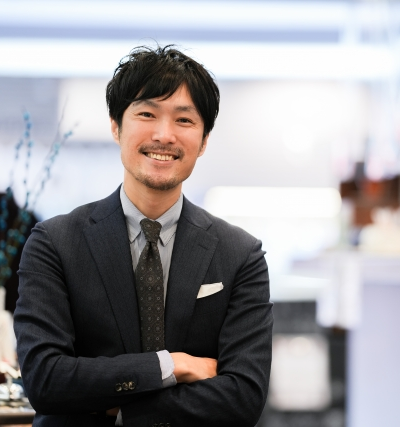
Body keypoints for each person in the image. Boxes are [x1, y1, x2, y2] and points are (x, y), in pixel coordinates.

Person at [14, 45, 273, 427]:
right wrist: (172, 365)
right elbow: (45, 380)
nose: (164, 135)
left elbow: (243, 397)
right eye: (147, 114)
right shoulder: (55, 243)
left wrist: (120, 410)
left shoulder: (240, 255)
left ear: (203, 140)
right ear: (116, 126)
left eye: (184, 120)